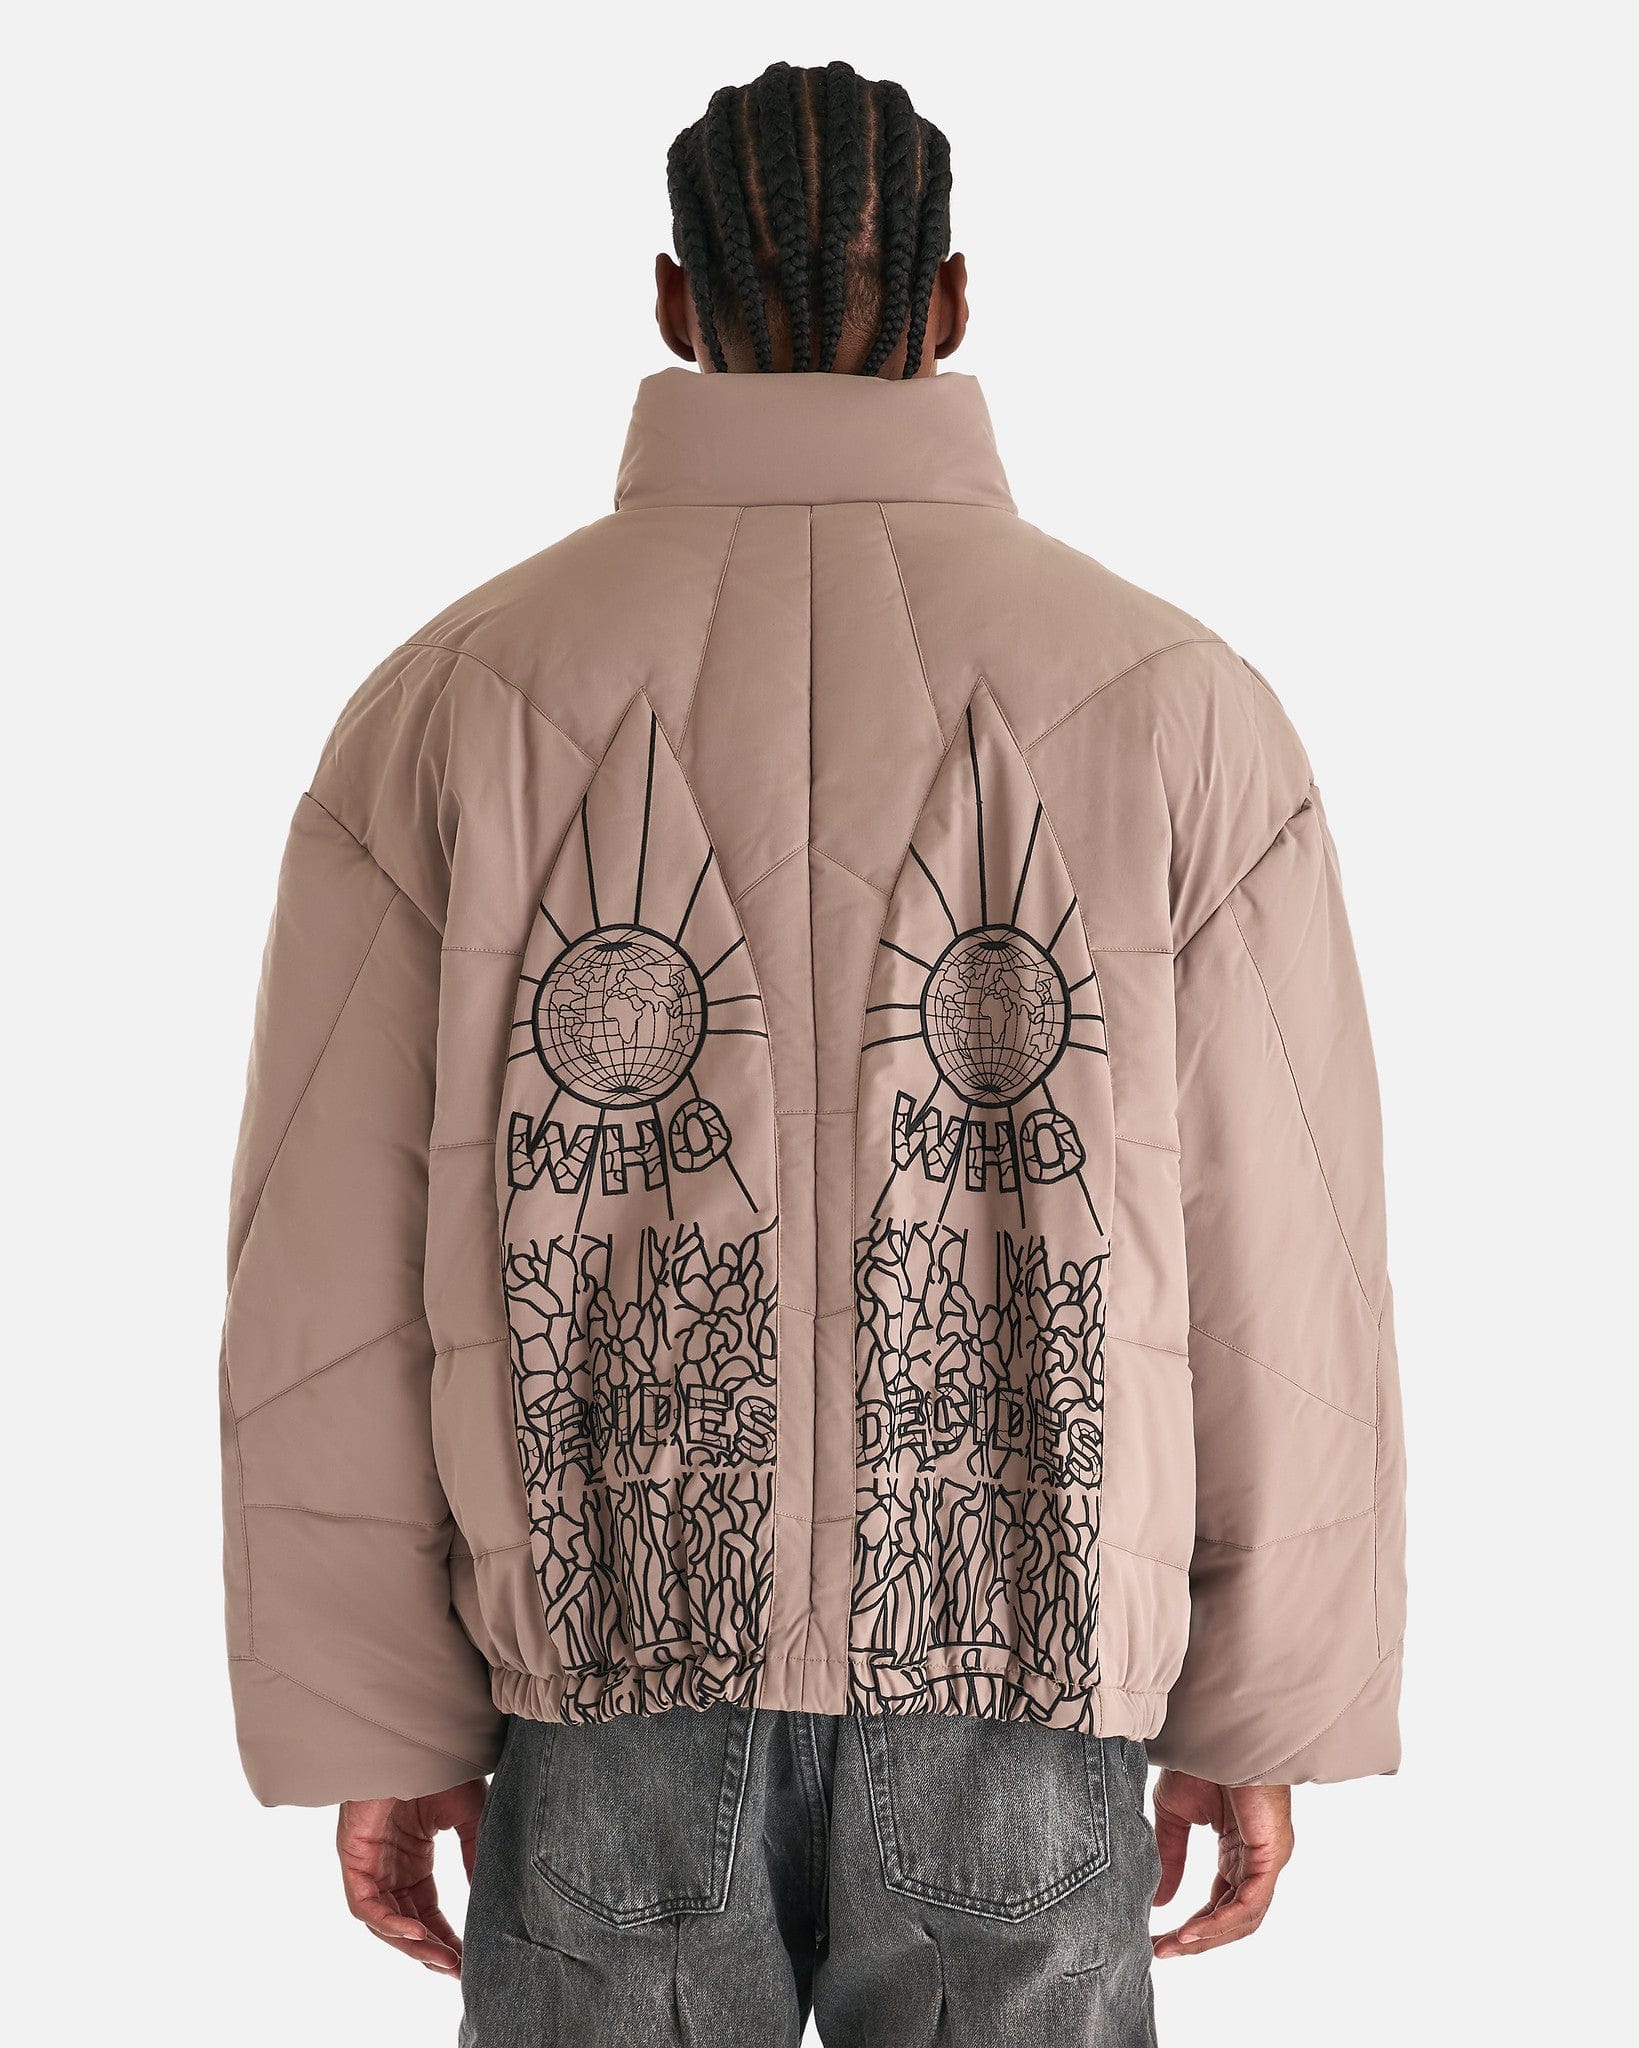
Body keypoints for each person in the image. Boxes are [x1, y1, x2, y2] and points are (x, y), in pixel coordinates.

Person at [220, 59, 1404, 2048]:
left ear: (673, 301)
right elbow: (1287, 1255)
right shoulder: (1180, 703)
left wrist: (381, 1722)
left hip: (605, 1674)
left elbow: (319, 1273)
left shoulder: (448, 701)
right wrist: (1258, 1696)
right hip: (1025, 1671)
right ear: (952, 300)